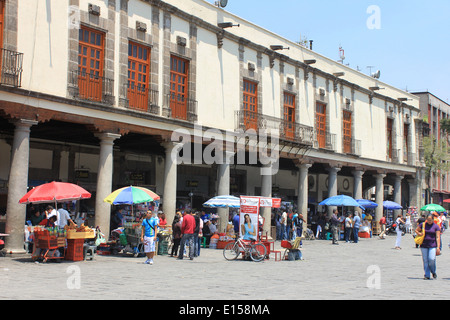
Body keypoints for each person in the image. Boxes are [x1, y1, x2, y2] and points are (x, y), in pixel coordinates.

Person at [415, 214, 441, 280]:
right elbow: (416, 230)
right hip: (424, 245)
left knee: (431, 259)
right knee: (425, 260)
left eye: (430, 220)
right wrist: (420, 233)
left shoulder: (436, 226)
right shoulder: (423, 225)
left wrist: (438, 247)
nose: (429, 221)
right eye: (428, 220)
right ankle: (427, 274)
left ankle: (433, 271)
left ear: (433, 219)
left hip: (432, 245)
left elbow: (438, 237)